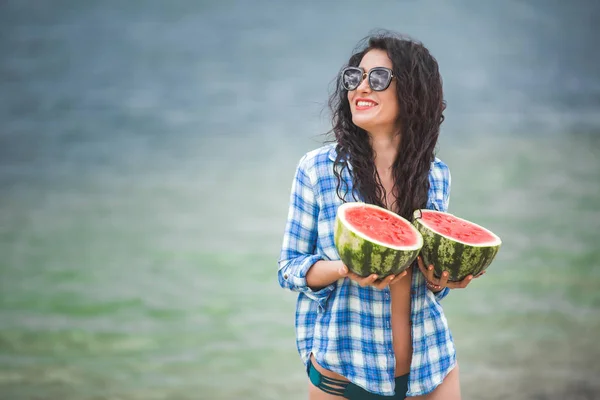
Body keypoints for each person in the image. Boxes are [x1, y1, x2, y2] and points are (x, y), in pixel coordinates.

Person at [277, 31, 485, 400]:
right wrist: (344, 268)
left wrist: (443, 280)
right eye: (354, 78)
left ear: (413, 94)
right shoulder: (318, 170)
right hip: (346, 375)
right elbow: (289, 268)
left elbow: (429, 288)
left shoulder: (436, 175)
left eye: (377, 78)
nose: (360, 88)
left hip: (432, 369)